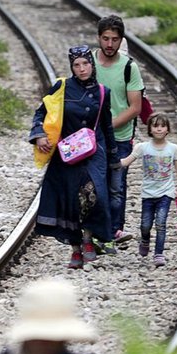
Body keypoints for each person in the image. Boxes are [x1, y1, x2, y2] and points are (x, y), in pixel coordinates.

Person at [29, 45, 116, 269]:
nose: (82, 69)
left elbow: (107, 126)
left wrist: (114, 157)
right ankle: (76, 248)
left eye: (85, 64)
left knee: (92, 193)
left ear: (92, 64)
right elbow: (41, 112)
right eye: (76, 65)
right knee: (69, 200)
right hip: (66, 152)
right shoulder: (61, 87)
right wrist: (39, 135)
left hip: (94, 152)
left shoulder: (103, 92)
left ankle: (88, 239)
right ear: (72, 67)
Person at [95, 15, 145, 249]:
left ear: (121, 40)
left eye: (115, 39)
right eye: (105, 38)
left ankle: (115, 230)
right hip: (92, 137)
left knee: (116, 186)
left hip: (120, 137)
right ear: (99, 38)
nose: (110, 44)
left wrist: (108, 125)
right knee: (94, 184)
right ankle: (96, 230)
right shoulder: (88, 63)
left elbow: (136, 107)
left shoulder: (129, 67)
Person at [121, 113, 177, 266]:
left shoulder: (173, 149)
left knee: (161, 223)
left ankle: (159, 253)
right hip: (148, 193)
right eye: (155, 126)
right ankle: (145, 240)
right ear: (150, 129)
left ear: (167, 129)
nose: (159, 129)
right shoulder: (142, 147)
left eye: (162, 126)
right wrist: (110, 161)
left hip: (166, 192)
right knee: (145, 224)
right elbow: (126, 161)